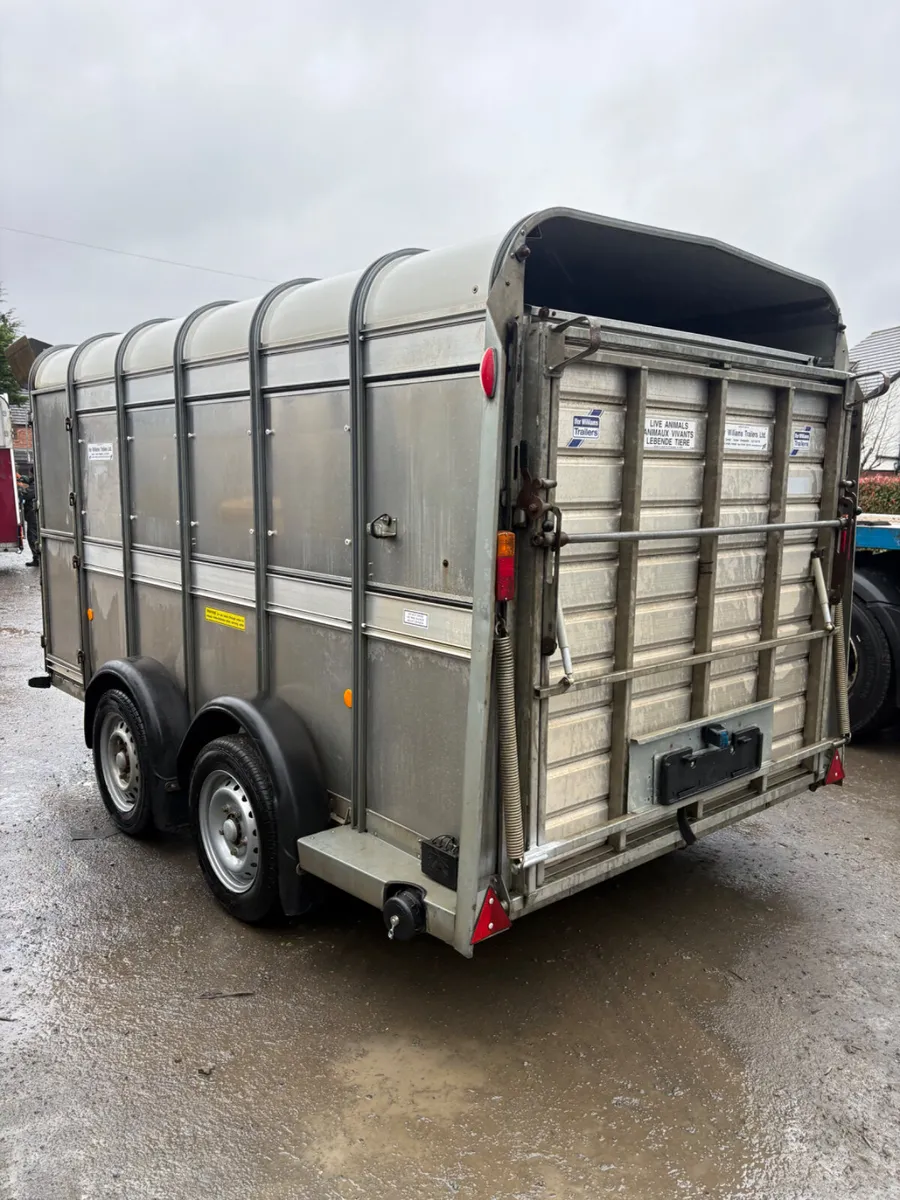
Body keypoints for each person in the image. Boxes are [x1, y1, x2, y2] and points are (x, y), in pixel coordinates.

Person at [16, 470, 39, 566]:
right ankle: (37, 558)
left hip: (33, 514)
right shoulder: (34, 481)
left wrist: (20, 487)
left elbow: (27, 494)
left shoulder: (35, 484)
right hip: (32, 514)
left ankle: (37, 559)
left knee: (32, 536)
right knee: (33, 536)